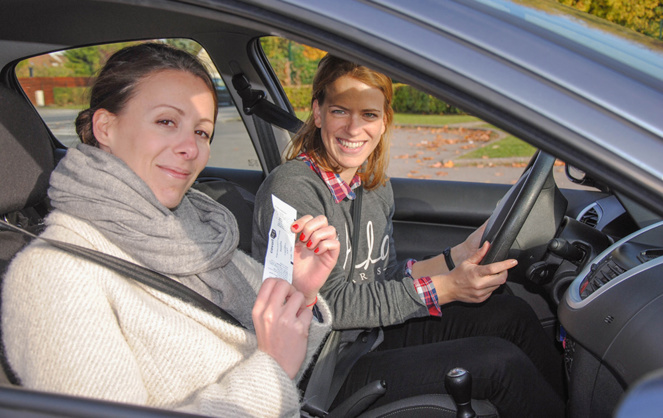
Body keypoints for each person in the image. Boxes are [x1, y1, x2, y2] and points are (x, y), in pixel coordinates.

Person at [2, 43, 341, 417]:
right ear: (105, 127)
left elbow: (286, 362)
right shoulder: (52, 276)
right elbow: (277, 364)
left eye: (201, 132)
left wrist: (298, 292)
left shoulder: (198, 228)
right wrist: (271, 367)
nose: (191, 148)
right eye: (167, 122)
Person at [252, 54, 565, 417]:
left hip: (369, 335)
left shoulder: (372, 185)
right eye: (340, 111)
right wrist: (447, 288)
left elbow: (382, 277)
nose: (354, 129)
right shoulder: (293, 189)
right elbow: (330, 306)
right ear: (318, 113)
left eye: (368, 115)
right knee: (498, 364)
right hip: (321, 366)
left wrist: (455, 257)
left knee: (510, 313)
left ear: (384, 121)